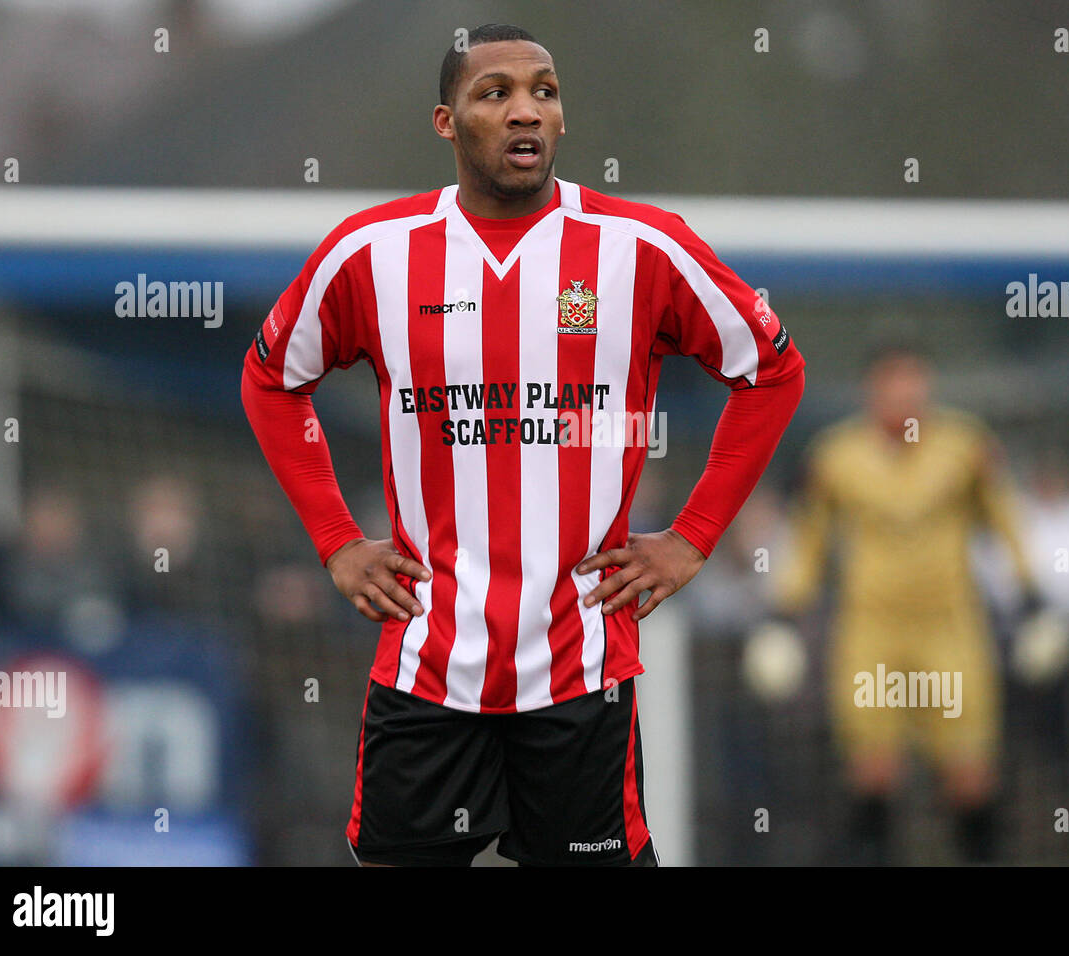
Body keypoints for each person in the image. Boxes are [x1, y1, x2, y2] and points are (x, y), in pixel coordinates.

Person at [241, 23, 805, 867]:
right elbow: (273, 380)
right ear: (446, 122)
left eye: (543, 90)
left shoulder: (640, 248)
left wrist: (692, 538)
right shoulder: (373, 254)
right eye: (494, 92)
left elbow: (771, 370)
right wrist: (336, 542)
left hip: (579, 670)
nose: (524, 111)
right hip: (431, 664)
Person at [774, 336, 1033, 864]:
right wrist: (783, 611)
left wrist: (1034, 593)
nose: (905, 393)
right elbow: (809, 541)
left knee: (969, 777)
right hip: (871, 631)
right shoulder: (836, 456)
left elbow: (1006, 521)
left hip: (950, 627)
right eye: (893, 380)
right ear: (873, 388)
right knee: (873, 772)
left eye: (914, 379)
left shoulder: (964, 447)